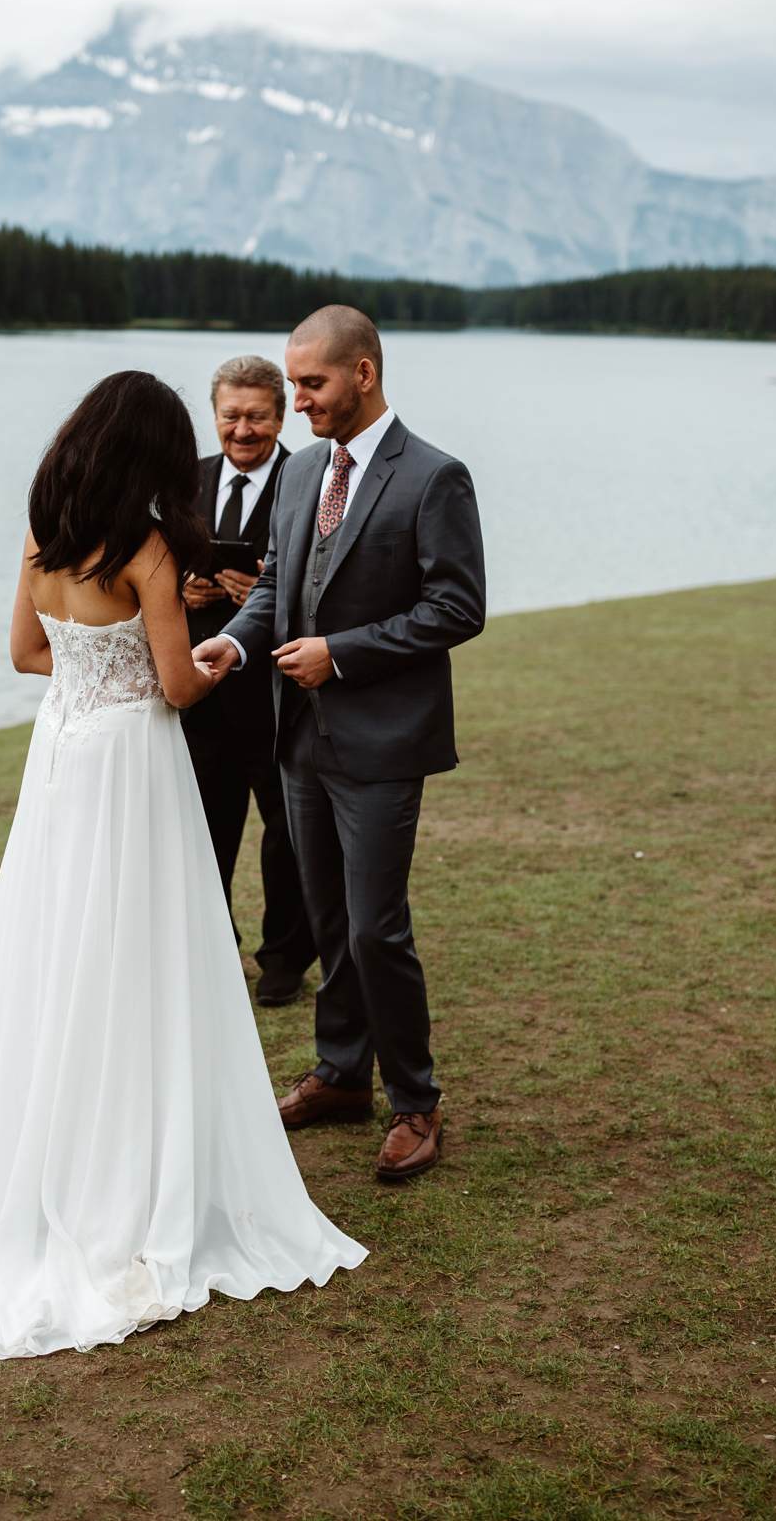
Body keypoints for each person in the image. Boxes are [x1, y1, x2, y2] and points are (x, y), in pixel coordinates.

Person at [0, 371, 365, 1358]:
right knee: (136, 949)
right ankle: (131, 1166)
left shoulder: (41, 531)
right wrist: (199, 629)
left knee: (55, 941)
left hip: (61, 753)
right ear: (151, 454)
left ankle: (32, 1149)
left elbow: (26, 653)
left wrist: (97, 655)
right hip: (131, 763)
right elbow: (178, 689)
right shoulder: (149, 548)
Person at [195, 309, 485, 1184]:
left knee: (376, 925)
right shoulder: (303, 472)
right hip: (299, 742)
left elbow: (457, 608)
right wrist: (238, 643)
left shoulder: (435, 477)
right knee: (329, 923)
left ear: (363, 373)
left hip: (383, 744)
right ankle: (340, 1074)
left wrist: (342, 654)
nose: (297, 402)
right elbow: (280, 581)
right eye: (292, 385)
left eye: (311, 385)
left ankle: (417, 1102)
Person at [181, 355, 316, 1006]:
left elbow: (326, 585)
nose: (242, 430)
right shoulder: (187, 481)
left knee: (286, 829)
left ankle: (285, 957)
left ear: (280, 415)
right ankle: (213, 947)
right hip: (200, 692)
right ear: (215, 417)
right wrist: (181, 588)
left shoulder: (308, 478)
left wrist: (264, 592)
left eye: (256, 417)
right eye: (230, 416)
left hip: (276, 691)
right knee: (202, 828)